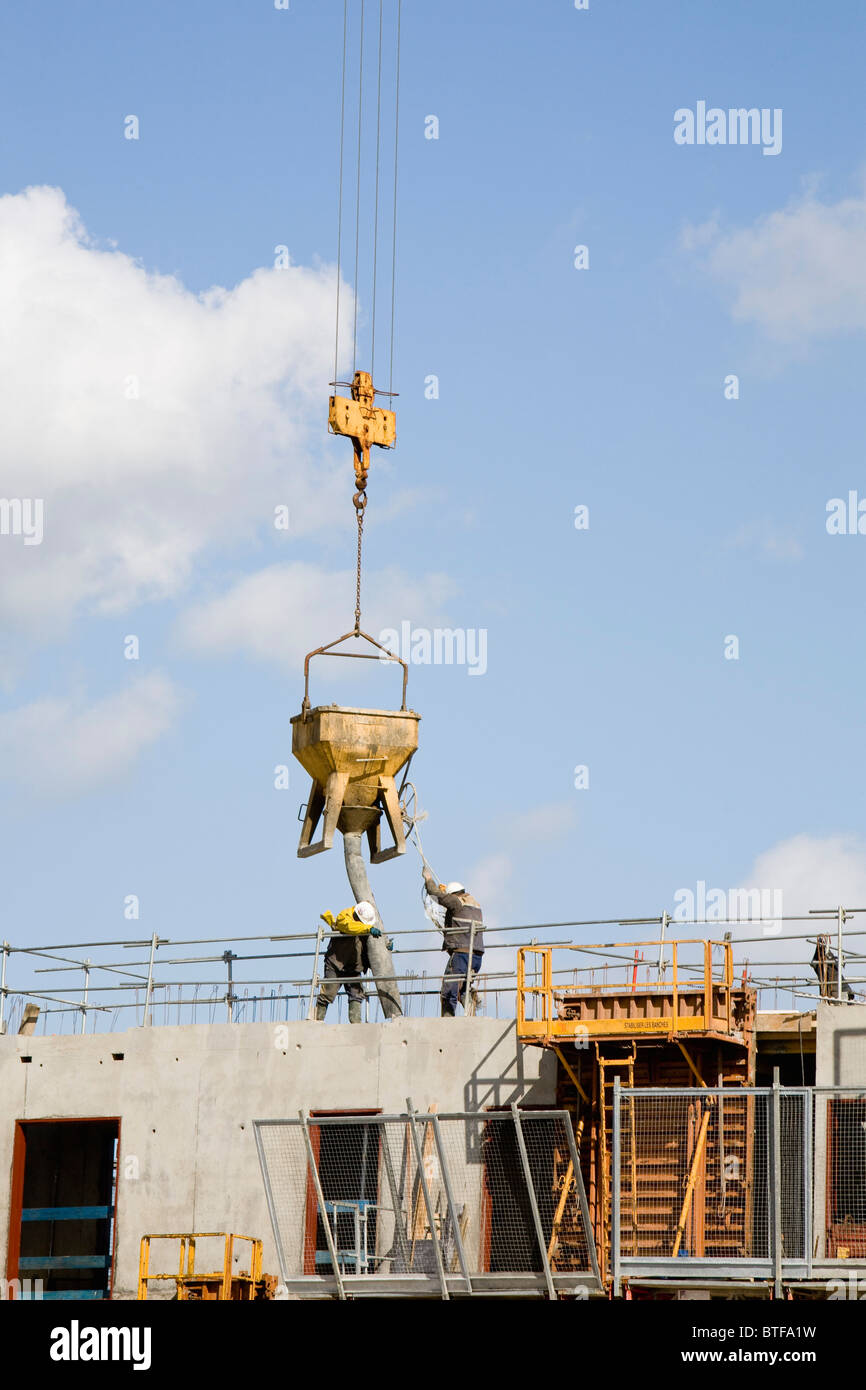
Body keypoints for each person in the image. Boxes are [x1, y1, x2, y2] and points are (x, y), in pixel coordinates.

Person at [422, 868, 485, 1017]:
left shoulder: (456, 903)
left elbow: (435, 895)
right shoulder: (474, 904)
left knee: (449, 989)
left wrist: (428, 878)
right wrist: (446, 894)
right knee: (463, 988)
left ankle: (447, 1020)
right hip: (476, 956)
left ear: (453, 894)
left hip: (461, 954)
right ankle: (471, 1014)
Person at [315, 900, 387, 1023]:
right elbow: (350, 927)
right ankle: (317, 1020)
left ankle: (356, 1024)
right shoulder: (344, 916)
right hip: (336, 963)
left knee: (356, 993)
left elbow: (374, 938)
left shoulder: (365, 927)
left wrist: (386, 944)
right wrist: (368, 929)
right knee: (328, 992)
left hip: (353, 966)